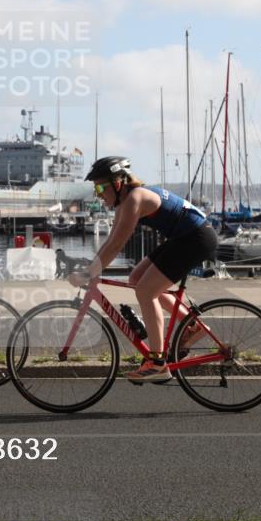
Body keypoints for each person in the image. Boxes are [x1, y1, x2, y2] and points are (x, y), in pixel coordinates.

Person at [68, 156, 218, 382]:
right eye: (94, 187)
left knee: (146, 291)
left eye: (100, 186)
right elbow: (110, 242)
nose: (97, 193)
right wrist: (91, 269)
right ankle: (192, 327)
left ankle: (158, 362)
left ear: (118, 183)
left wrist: (90, 273)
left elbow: (117, 245)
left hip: (195, 239)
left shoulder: (134, 200)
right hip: (184, 238)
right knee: (137, 278)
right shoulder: (125, 202)